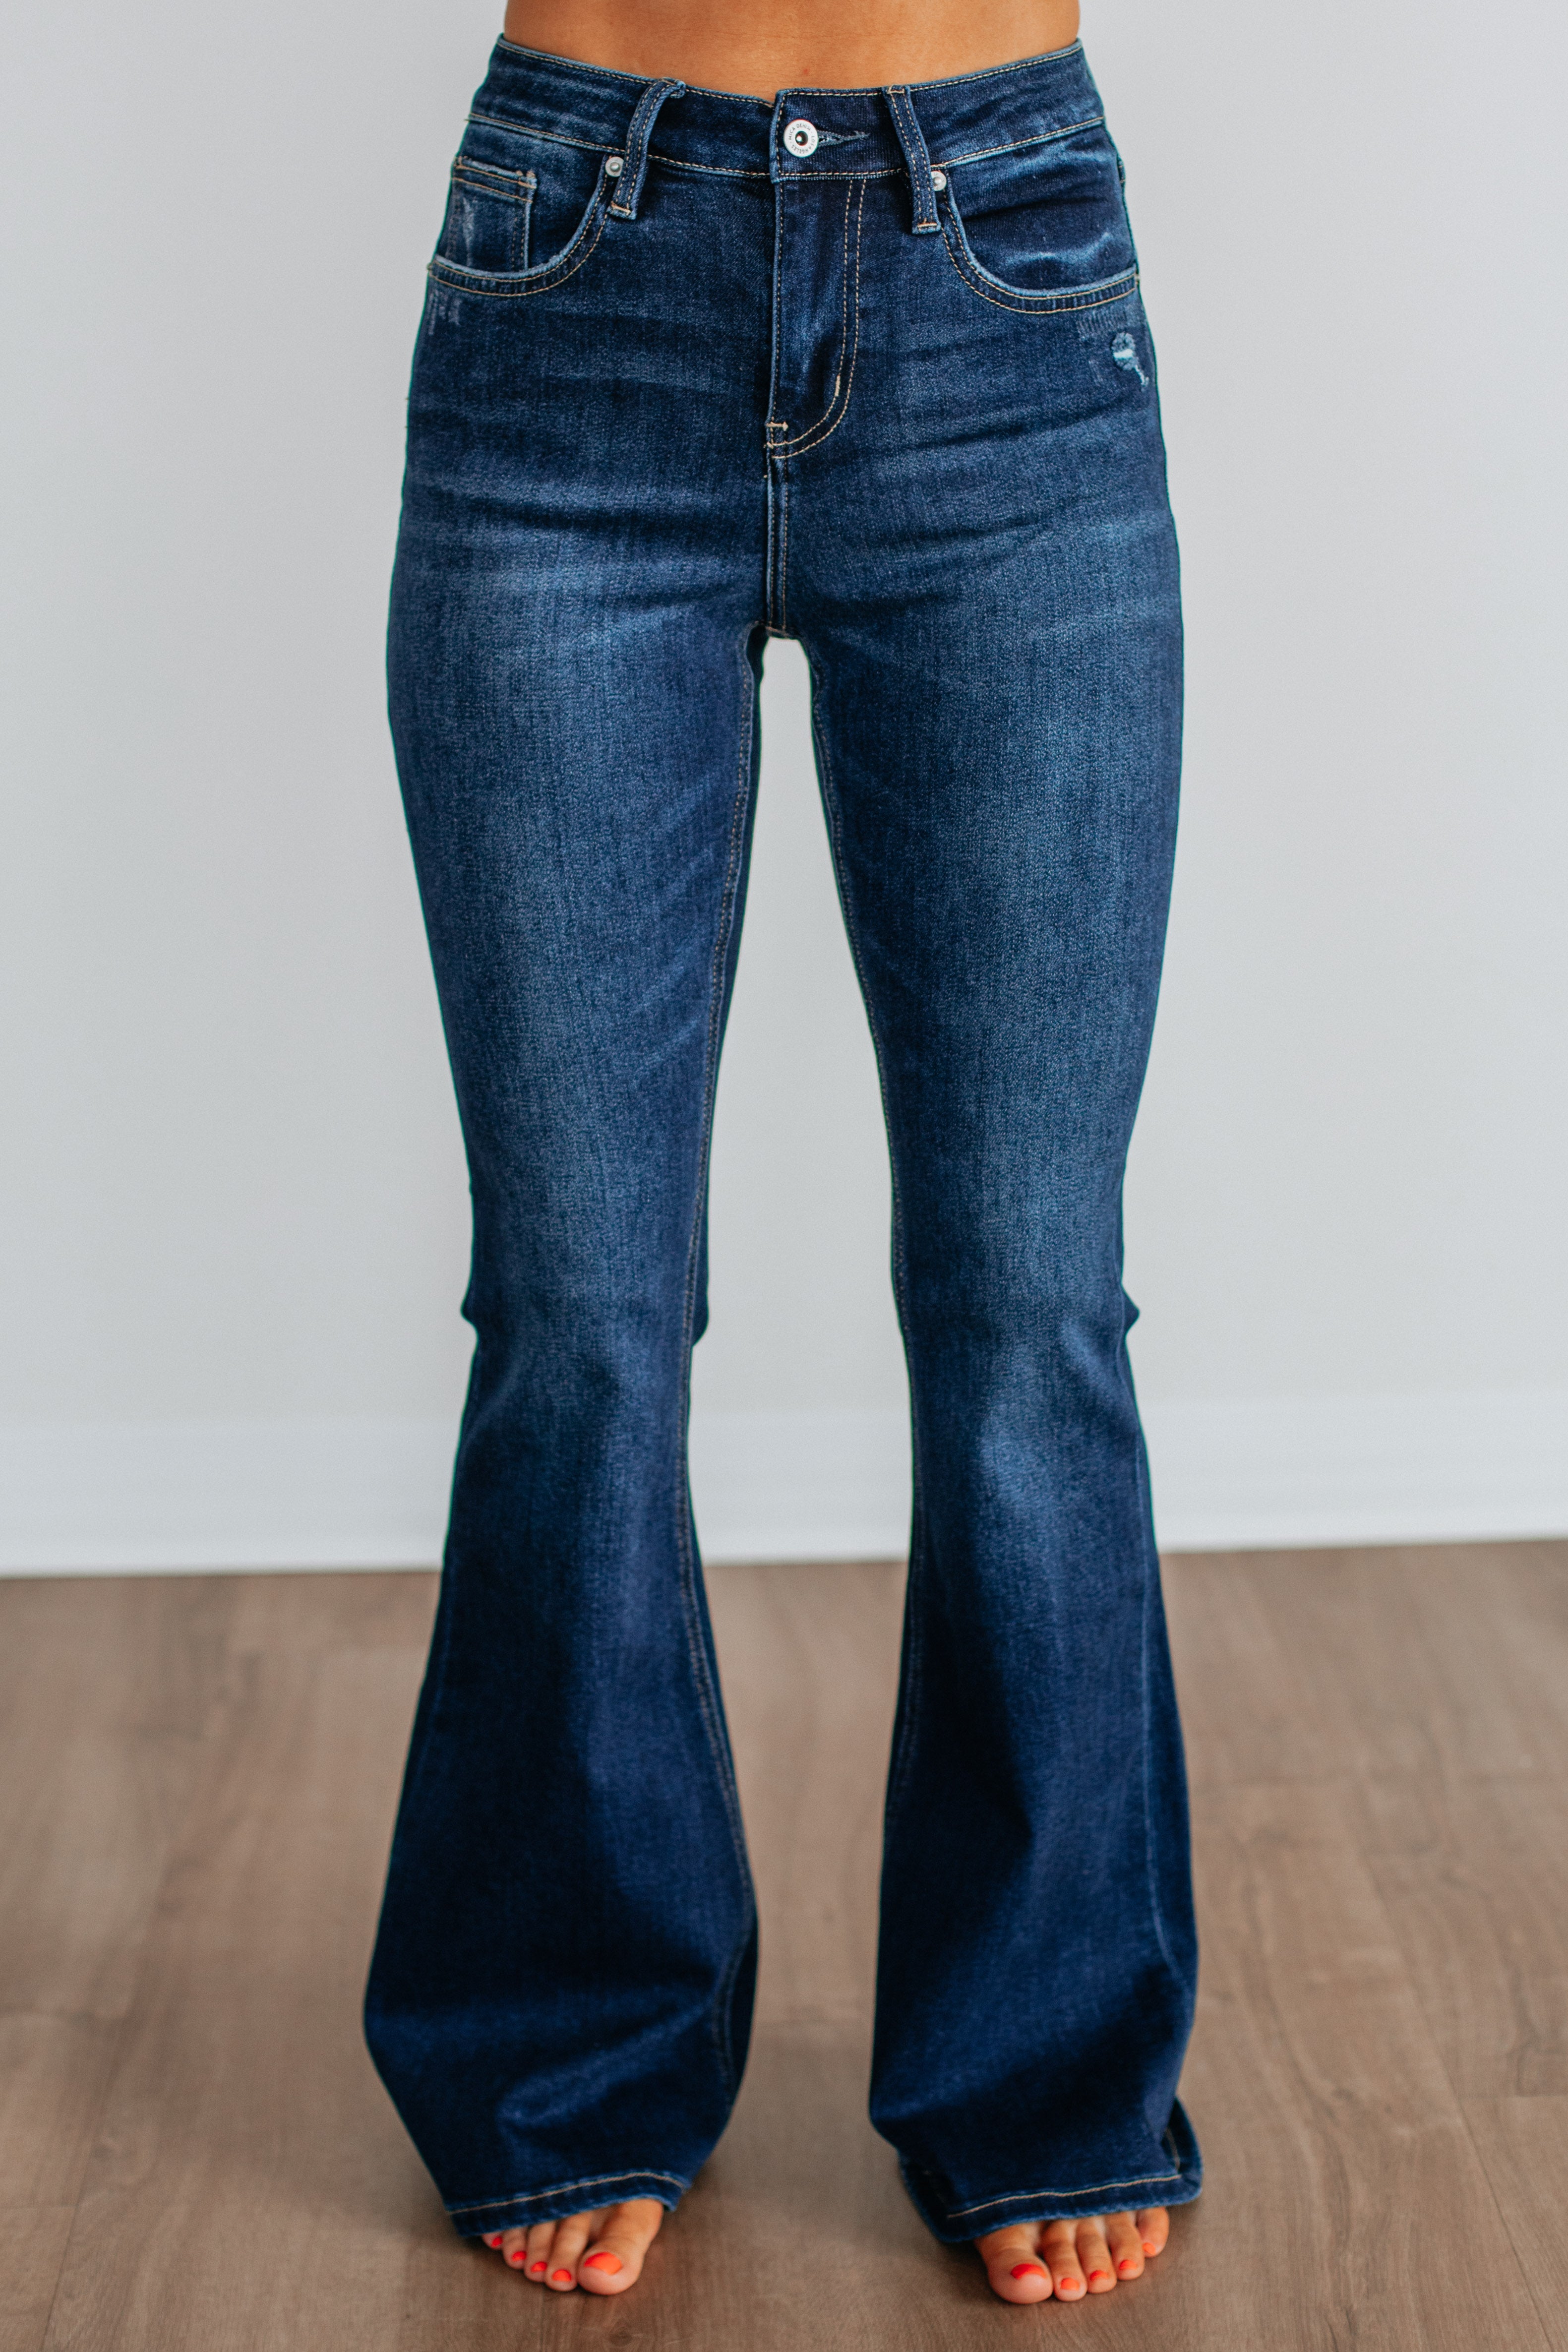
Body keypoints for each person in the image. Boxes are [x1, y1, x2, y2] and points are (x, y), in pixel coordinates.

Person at [364, 0, 1200, 2309]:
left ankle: (1042, 2059)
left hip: (1000, 276)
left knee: (1028, 1298)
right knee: (577, 1309)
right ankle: (567, 2034)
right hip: (573, 270)